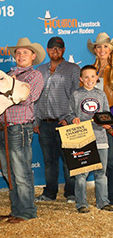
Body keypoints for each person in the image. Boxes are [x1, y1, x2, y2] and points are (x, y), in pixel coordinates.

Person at [0, 37, 45, 223]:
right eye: (18, 53)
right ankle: (16, 210)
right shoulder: (8, 75)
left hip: (20, 128)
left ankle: (27, 211)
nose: (21, 56)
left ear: (33, 56)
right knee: (8, 173)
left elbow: (28, 99)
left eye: (25, 53)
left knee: (21, 173)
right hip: (5, 128)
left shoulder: (34, 76)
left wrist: (12, 86)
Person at [34, 37, 80, 203]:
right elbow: (35, 97)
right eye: (52, 48)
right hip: (44, 122)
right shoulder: (39, 70)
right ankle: (50, 193)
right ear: (47, 50)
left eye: (58, 48)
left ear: (64, 50)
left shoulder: (73, 69)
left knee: (69, 160)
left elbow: (77, 96)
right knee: (49, 161)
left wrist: (70, 117)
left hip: (65, 122)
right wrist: (35, 121)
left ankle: (71, 192)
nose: (55, 51)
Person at [66, 65, 113, 213]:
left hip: (100, 138)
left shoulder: (101, 95)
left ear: (97, 78)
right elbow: (69, 113)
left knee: (101, 173)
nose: (89, 80)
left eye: (92, 76)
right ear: (81, 79)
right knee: (81, 174)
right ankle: (81, 203)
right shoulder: (75, 94)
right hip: (83, 138)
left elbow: (105, 114)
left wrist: (107, 123)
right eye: (86, 77)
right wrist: (73, 119)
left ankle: (103, 202)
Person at [87, 32, 113, 205]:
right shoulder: (91, 70)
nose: (102, 49)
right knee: (102, 160)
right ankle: (105, 196)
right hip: (94, 120)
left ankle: (110, 196)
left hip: (110, 117)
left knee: (110, 160)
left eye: (105, 46)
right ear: (95, 50)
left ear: (110, 49)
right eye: (99, 46)